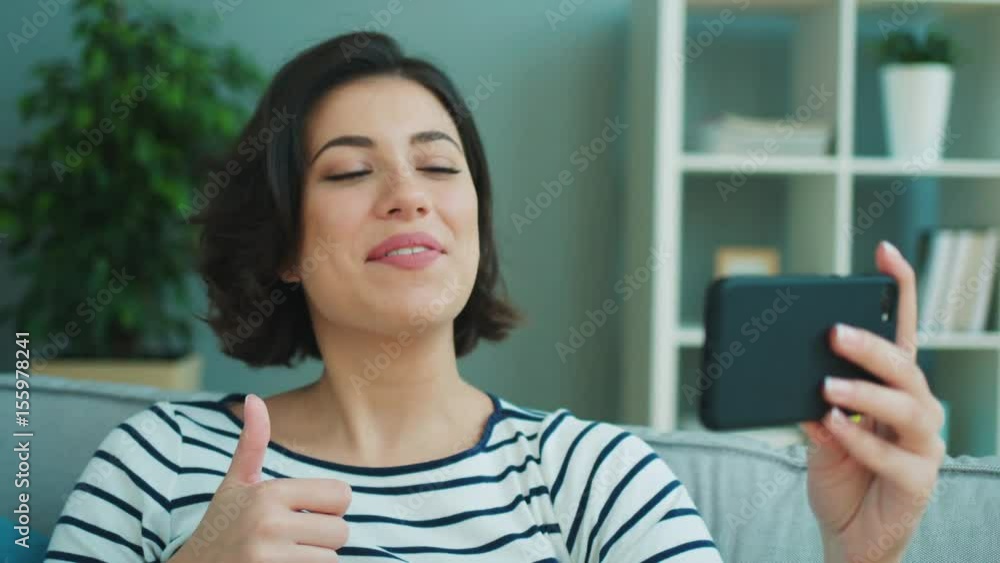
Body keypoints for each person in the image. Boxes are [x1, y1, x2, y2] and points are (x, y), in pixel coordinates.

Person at [44, 32, 946, 563]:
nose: (410, 192)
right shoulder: (158, 459)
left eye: (440, 165)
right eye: (352, 169)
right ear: (283, 243)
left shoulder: (595, 481)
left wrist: (863, 558)